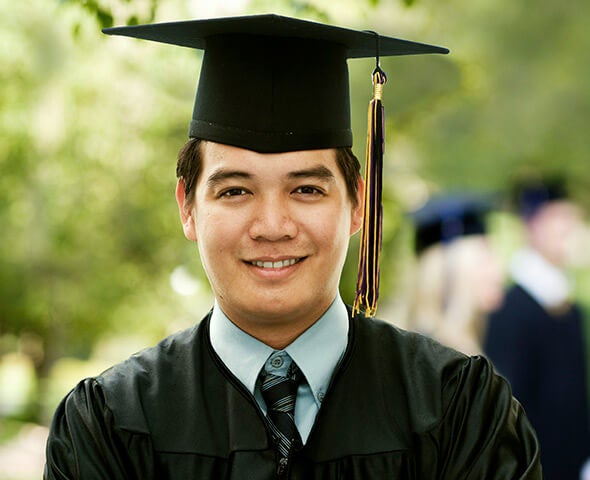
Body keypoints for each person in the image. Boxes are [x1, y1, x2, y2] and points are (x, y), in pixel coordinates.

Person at [44, 14, 541, 479]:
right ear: (187, 207)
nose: (273, 226)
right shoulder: (110, 423)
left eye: (307, 189)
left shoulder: (460, 409)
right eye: (235, 191)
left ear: (357, 204)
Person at [484, 176, 590, 480]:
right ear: (532, 226)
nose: (570, 230)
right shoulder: (509, 308)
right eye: (559, 220)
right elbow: (511, 407)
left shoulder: (569, 308)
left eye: (573, 220)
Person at [405, 194, 504, 355]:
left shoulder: (469, 345)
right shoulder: (429, 358)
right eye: (484, 260)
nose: (498, 271)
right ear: (452, 273)